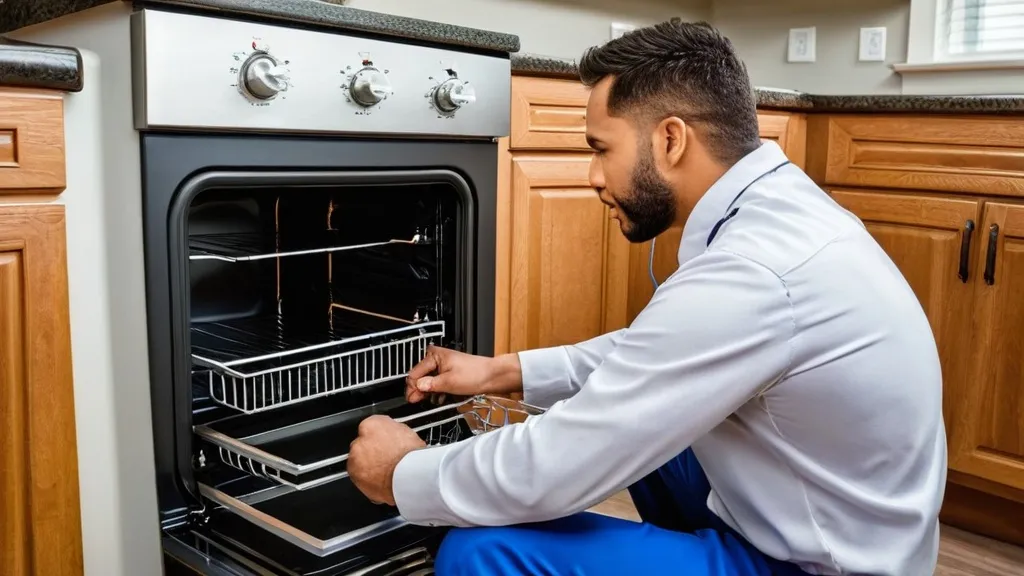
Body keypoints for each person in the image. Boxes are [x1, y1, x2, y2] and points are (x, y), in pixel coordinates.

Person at [347, 18, 947, 576]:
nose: (592, 176)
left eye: (601, 148)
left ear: (670, 140)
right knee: (651, 427)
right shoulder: (777, 214)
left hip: (824, 565)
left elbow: (558, 466)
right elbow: (660, 356)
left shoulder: (755, 269)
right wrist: (504, 371)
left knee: (483, 550)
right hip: (818, 515)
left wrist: (403, 473)